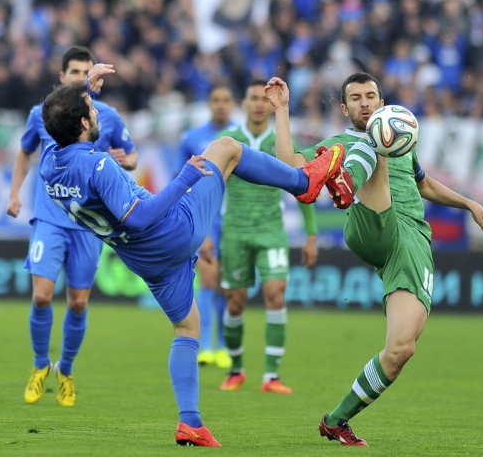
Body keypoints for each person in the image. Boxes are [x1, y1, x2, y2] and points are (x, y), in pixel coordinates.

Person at [38, 83, 345, 446]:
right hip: (171, 231)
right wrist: (184, 178)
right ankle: (303, 181)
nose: (99, 111)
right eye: (92, 107)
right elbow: (139, 217)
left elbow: (57, 121)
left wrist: (84, 86)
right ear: (83, 121)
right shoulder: (99, 163)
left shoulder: (48, 166)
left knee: (187, 327)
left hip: (144, 258)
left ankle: (191, 422)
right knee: (226, 149)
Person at [265, 72, 483, 446]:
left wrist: (471, 204)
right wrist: (282, 110)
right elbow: (290, 164)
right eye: (355, 98)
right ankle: (346, 182)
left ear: (381, 100)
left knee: (400, 350)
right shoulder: (344, 139)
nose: (364, 102)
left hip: (410, 242)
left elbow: (424, 184)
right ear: (345, 108)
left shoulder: (402, 138)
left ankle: (337, 420)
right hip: (368, 225)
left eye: (370, 95)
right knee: (371, 145)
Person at [6, 46, 138, 407]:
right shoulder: (43, 115)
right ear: (62, 77)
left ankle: (65, 369)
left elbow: (133, 155)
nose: (82, 77)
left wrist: (123, 161)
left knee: (78, 302)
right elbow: (25, 151)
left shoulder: (106, 115)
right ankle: (38, 366)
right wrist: (15, 192)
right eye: (76, 72)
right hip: (50, 218)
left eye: (86, 71)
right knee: (42, 295)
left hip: (85, 224)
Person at [217, 80, 319, 394]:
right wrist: (203, 233)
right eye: (253, 98)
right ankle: (236, 369)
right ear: (244, 103)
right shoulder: (228, 141)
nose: (259, 104)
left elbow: (303, 184)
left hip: (271, 230)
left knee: (276, 293)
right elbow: (211, 186)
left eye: (265, 99)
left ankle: (271, 376)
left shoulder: (282, 142)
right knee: (235, 303)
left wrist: (311, 234)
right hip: (234, 230)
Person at [175, 83, 235, 368]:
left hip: (235, 219)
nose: (221, 104)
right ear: (209, 104)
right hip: (207, 218)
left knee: (228, 284)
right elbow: (183, 180)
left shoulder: (238, 137)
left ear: (232, 103)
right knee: (209, 279)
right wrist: (202, 227)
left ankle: (223, 345)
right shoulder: (193, 138)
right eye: (215, 100)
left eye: (225, 99)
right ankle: (208, 345)